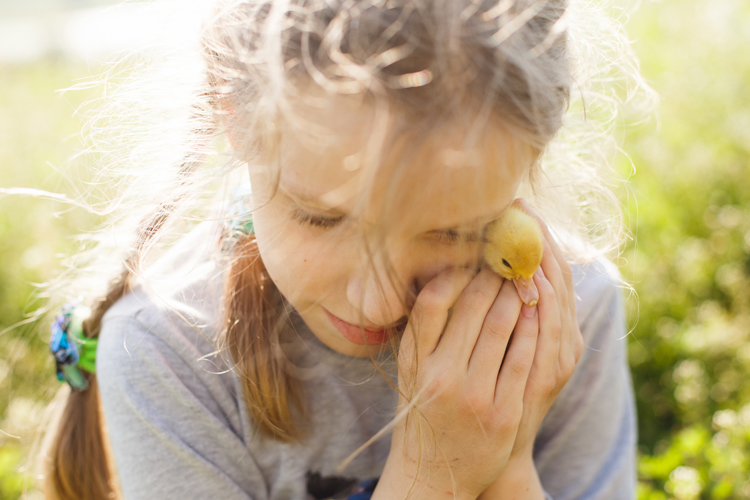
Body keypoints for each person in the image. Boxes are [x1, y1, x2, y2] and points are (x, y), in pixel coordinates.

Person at [42, 0, 651, 498]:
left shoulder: (564, 319)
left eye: (453, 230)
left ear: (531, 154)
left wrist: (509, 465)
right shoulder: (167, 353)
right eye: (320, 217)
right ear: (234, 121)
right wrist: (432, 477)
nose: (379, 301)